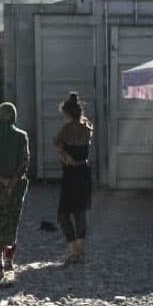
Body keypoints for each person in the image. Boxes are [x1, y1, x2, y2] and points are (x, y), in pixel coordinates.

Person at [0, 103, 30, 278]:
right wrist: (12, 181)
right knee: (11, 222)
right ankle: (9, 261)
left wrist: (1, 180)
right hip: (15, 189)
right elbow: (24, 162)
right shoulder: (21, 136)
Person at [54, 92, 94, 264]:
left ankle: (73, 250)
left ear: (67, 113)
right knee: (80, 212)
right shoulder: (87, 127)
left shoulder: (67, 128)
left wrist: (65, 156)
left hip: (70, 173)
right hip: (84, 171)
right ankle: (81, 251)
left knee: (63, 214)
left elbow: (56, 143)